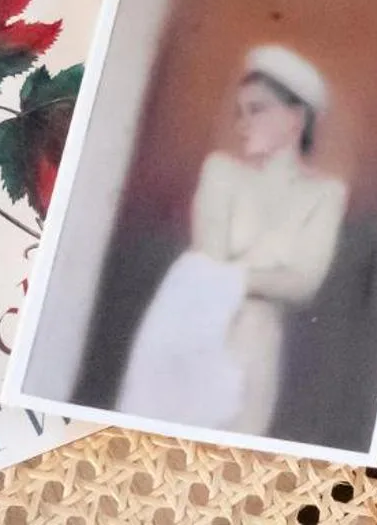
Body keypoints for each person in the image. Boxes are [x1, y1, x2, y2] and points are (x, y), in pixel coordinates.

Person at [114, 45, 348, 435]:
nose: (243, 124)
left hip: (258, 353)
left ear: (295, 118)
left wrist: (236, 275)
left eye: (256, 110)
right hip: (195, 338)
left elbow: (305, 283)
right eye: (240, 112)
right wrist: (268, 276)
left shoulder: (326, 194)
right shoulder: (221, 173)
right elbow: (210, 260)